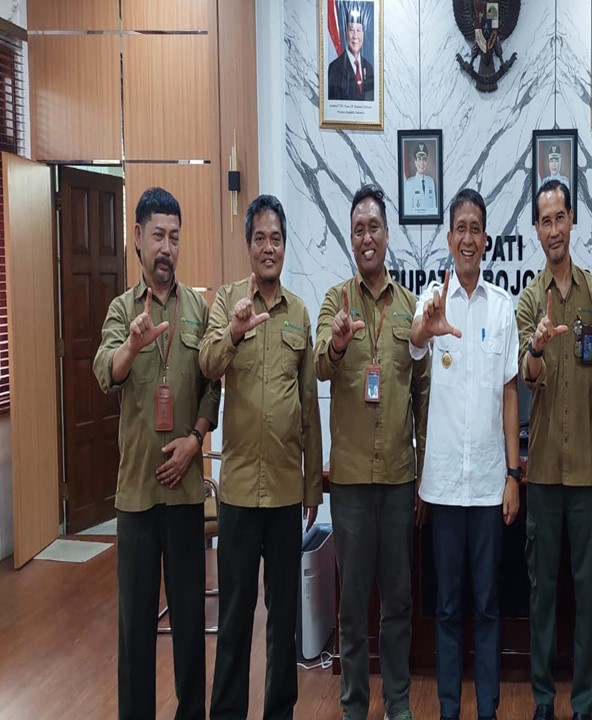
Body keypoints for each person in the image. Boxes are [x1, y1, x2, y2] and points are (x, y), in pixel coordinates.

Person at [93, 187, 221, 720]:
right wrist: (132, 346)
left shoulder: (199, 308)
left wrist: (196, 438)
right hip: (138, 497)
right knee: (136, 630)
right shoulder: (122, 310)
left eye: (174, 237)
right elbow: (105, 371)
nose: (167, 248)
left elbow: (213, 383)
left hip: (186, 493)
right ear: (138, 240)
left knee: (190, 627)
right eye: (158, 236)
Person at [200, 194, 323, 720]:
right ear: (248, 244)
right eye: (259, 238)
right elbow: (207, 365)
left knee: (283, 618)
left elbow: (309, 407)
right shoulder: (228, 302)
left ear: (284, 246)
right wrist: (233, 331)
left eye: (276, 238)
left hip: (286, 493)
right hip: (238, 492)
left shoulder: (299, 313)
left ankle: (280, 712)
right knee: (234, 617)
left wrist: (313, 486)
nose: (268, 247)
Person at [315, 184, 430, 720]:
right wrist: (338, 343)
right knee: (353, 604)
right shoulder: (333, 302)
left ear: (387, 234)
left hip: (400, 478)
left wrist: (425, 472)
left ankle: (398, 703)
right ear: (351, 237)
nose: (367, 237)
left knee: (399, 601)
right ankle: (355, 706)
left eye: (374, 227)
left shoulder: (410, 308)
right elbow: (320, 365)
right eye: (358, 228)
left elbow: (423, 392)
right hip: (352, 483)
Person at [410, 188, 521, 720]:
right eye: (461, 228)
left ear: (486, 239)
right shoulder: (432, 301)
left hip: (489, 486)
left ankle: (489, 710)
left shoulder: (502, 307)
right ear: (449, 237)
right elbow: (414, 341)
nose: (469, 238)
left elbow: (510, 393)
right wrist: (425, 328)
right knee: (448, 606)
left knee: (488, 605)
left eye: (476, 228)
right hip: (445, 486)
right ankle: (450, 709)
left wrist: (513, 474)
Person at [517, 180, 592, 720]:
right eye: (544, 221)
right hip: (545, 471)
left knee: (588, 592)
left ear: (572, 220)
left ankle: (583, 702)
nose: (553, 229)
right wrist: (536, 346)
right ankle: (542, 700)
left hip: (584, 475)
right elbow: (528, 376)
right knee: (542, 595)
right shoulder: (531, 299)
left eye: (560, 218)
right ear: (536, 230)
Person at [328, 3, 374, 101]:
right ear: (346, 33)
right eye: (352, 30)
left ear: (363, 34)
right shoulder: (334, 68)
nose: (355, 36)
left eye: (359, 30)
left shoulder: (369, 68)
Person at [403, 143, 438, 216]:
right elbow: (408, 211)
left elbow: (434, 208)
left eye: (424, 159)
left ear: (426, 162)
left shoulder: (430, 181)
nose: (422, 163)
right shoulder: (410, 184)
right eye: (419, 159)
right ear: (415, 163)